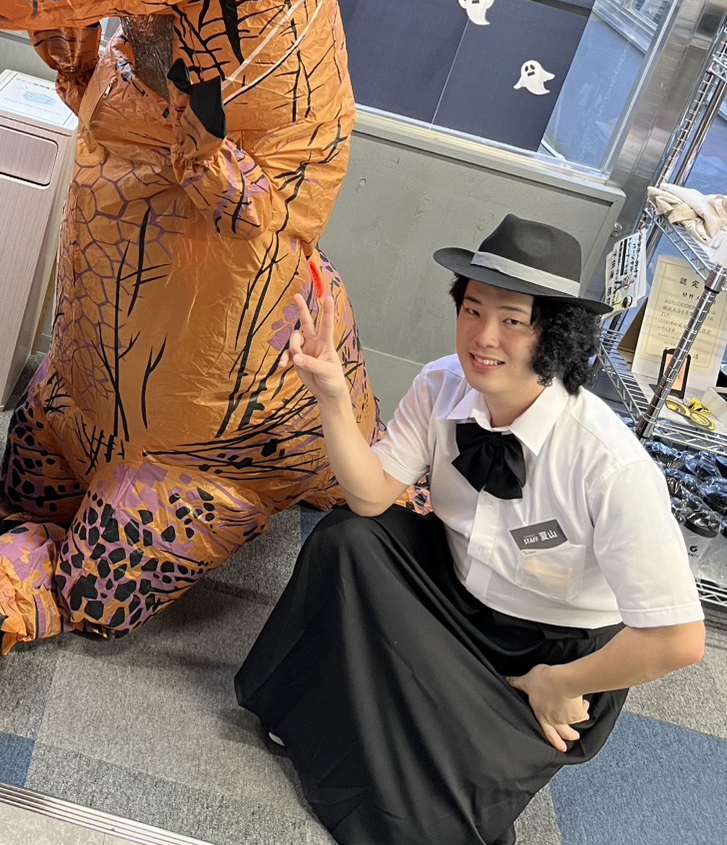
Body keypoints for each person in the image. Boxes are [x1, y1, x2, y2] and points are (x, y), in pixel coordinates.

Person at [235, 214, 705, 845]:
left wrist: (557, 683)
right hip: (453, 594)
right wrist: (333, 398)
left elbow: (679, 640)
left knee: (434, 818)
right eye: (472, 309)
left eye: (513, 320)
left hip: (548, 654)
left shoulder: (609, 463)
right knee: (348, 540)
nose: (483, 337)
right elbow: (371, 496)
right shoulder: (441, 385)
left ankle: (444, 718)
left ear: (554, 335)